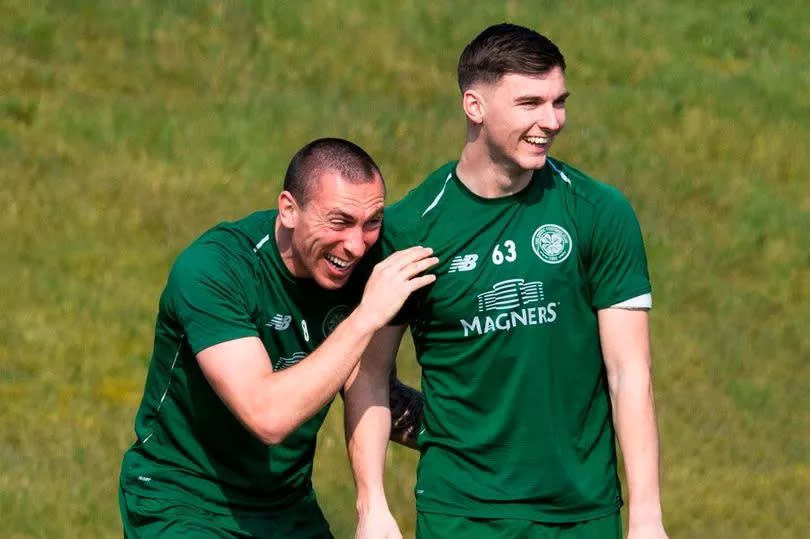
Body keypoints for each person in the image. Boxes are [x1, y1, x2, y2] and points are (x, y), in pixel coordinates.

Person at [344, 24, 668, 539]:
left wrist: (647, 517)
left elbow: (630, 371)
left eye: (559, 102)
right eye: (530, 103)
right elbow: (367, 374)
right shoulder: (410, 229)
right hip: (461, 514)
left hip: (582, 513)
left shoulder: (598, 212)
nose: (551, 121)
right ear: (474, 106)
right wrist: (372, 505)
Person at [118, 138, 437, 538]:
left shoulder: (361, 265)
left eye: (371, 222)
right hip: (183, 502)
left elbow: (370, 389)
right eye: (339, 222)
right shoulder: (216, 269)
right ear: (288, 209)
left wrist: (479, 430)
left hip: (285, 507)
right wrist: (366, 317)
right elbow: (267, 416)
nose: (356, 246)